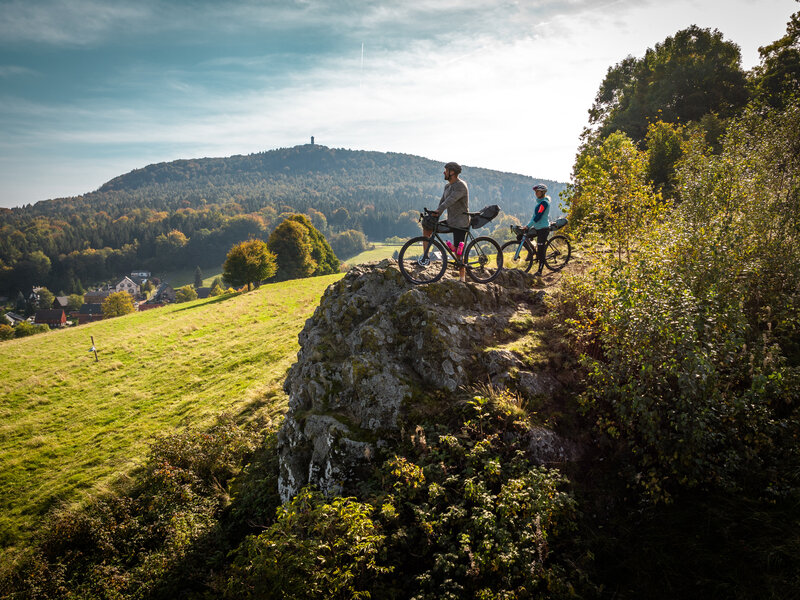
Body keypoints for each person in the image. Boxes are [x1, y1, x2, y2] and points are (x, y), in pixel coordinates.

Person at [422, 162, 470, 281]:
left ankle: (462, 278)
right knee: (427, 228)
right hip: (450, 221)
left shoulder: (461, 186)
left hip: (460, 223)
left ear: (452, 172)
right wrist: (435, 215)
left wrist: (439, 210)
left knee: (459, 253)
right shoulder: (447, 187)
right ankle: (425, 258)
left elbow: (450, 201)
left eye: (446, 170)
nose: (444, 172)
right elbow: (442, 201)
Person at [521, 183, 551, 276]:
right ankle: (532, 251)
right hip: (537, 227)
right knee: (521, 236)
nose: (536, 193)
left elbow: (538, 217)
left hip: (543, 228)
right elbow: (534, 216)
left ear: (543, 192)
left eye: (538, 191)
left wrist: (529, 226)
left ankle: (540, 271)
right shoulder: (539, 202)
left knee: (541, 251)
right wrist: (527, 226)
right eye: (536, 191)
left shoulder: (544, 203)